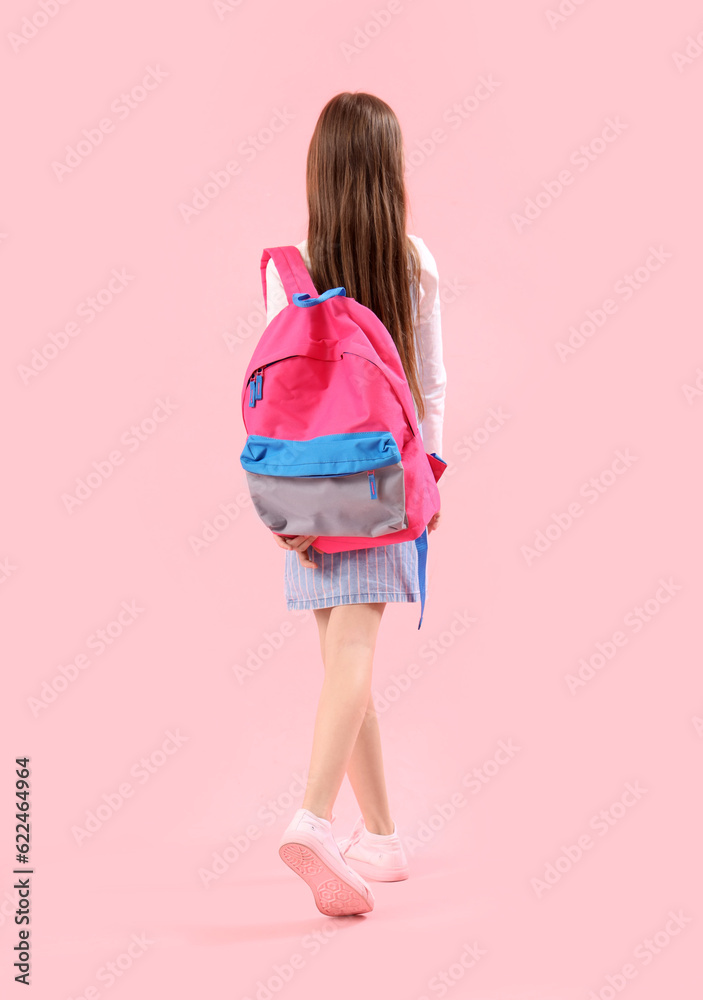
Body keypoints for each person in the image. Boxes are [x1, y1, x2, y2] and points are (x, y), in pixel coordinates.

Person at [264, 92, 447, 916]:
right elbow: (430, 385)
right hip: (380, 475)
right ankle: (347, 826)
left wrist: (285, 510)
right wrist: (429, 478)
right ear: (389, 170)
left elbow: (275, 400)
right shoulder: (413, 260)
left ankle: (350, 828)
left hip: (305, 487)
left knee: (344, 657)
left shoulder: (287, 268)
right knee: (353, 660)